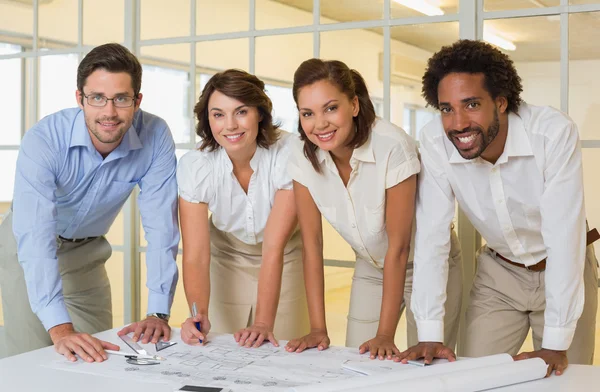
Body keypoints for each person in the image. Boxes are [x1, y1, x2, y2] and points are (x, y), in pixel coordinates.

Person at [400, 39, 598, 376]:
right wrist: (430, 333)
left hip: (563, 267)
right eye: (447, 108)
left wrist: (555, 341)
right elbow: (432, 237)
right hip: (499, 275)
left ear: (502, 102)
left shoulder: (551, 134)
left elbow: (564, 237)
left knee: (566, 385)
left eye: (472, 104)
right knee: (474, 379)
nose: (458, 123)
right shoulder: (434, 141)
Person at [0, 43, 180, 362]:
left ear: (137, 100)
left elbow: (161, 227)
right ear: (79, 98)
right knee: (29, 358)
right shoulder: (44, 140)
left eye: (121, 98)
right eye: (97, 97)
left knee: (100, 356)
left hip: (87, 253)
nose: (109, 112)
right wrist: (60, 328)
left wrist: (158, 312)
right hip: (25, 248)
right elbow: (35, 235)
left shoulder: (155, 136)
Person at [284, 58, 463, 360]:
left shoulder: (391, 146)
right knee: (358, 361)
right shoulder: (303, 156)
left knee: (422, 365)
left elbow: (400, 246)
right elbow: (311, 243)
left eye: (331, 108)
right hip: (371, 266)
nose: (320, 124)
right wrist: (318, 328)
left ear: (353, 105)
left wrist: (384, 333)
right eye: (308, 113)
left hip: (426, 264)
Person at [177, 69, 309, 348]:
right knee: (224, 347)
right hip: (227, 256)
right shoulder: (196, 166)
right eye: (218, 115)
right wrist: (196, 313)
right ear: (207, 119)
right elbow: (196, 255)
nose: (230, 125)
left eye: (241, 112)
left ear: (260, 113)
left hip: (286, 254)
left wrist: (262, 323)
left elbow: (273, 247)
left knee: (282, 348)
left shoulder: (289, 152)